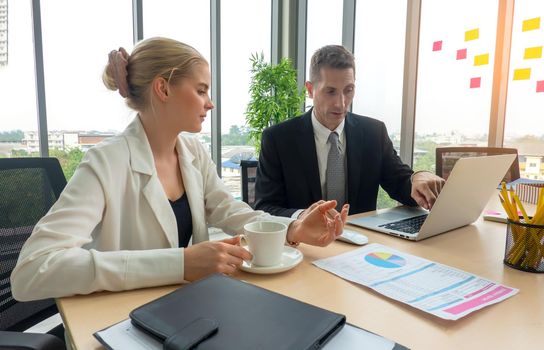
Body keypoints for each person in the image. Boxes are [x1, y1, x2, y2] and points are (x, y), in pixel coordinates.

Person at [10, 37, 349, 301]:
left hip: (187, 307)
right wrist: (181, 263)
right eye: (201, 90)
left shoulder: (192, 151)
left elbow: (229, 210)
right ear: (163, 88)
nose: (210, 102)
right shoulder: (105, 163)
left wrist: (292, 228)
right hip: (120, 319)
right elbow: (31, 271)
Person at [255, 45, 444, 219]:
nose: (341, 103)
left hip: (361, 244)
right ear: (310, 90)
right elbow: (265, 207)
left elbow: (401, 185)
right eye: (330, 91)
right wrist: (303, 216)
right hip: (305, 245)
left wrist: (419, 177)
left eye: (348, 90)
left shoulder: (373, 133)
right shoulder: (278, 139)